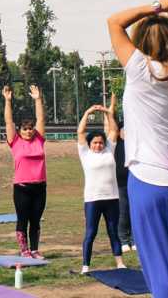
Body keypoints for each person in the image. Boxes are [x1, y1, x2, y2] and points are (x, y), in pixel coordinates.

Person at [108, 0, 168, 297]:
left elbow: (114, 22)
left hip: (151, 181)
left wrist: (158, 6)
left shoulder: (140, 69)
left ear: (142, 43)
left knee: (161, 272)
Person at [75, 104, 126, 274]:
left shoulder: (109, 150)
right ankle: (85, 266)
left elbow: (113, 130)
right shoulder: (85, 154)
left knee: (113, 231)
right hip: (92, 200)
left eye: (100, 142)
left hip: (111, 198)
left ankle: (119, 262)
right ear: (89, 144)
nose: (98, 145)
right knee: (91, 233)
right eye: (95, 143)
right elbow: (80, 132)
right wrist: (88, 112)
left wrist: (107, 113)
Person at [2, 84, 48, 259]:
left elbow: (41, 120)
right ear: (19, 131)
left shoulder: (39, 139)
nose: (28, 131)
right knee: (23, 219)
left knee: (35, 220)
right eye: (25, 129)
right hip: (22, 188)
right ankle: (24, 250)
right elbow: (8, 121)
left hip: (40, 187)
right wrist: (7, 101)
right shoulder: (15, 142)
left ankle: (34, 249)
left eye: (30, 129)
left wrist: (38, 99)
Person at [110, 97, 134, 252]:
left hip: (135, 181)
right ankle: (123, 240)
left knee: (135, 211)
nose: (125, 132)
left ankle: (134, 239)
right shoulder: (115, 143)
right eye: (123, 129)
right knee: (123, 212)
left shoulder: (135, 143)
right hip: (120, 183)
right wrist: (113, 104)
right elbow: (111, 120)